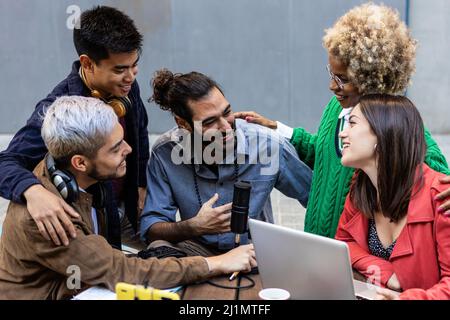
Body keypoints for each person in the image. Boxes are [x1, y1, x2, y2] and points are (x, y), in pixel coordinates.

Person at [0, 96, 256, 300]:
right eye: (115, 148)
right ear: (80, 162)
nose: (129, 149)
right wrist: (216, 263)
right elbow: (122, 272)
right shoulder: (48, 220)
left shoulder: (73, 176)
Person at [234, 3, 450, 238]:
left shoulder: (395, 124)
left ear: (372, 78)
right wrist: (279, 129)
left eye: (342, 79)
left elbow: (438, 173)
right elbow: (325, 153)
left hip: (356, 259)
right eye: (332, 74)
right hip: (319, 245)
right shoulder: (336, 107)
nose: (332, 86)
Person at [0, 6, 149, 249]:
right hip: (85, 224)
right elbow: (5, 162)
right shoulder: (56, 112)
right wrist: (33, 191)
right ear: (87, 63)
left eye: (134, 65)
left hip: (125, 211)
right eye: (120, 69)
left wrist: (141, 184)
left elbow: (140, 134)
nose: (131, 76)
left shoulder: (127, 87)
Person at [140, 69, 312, 255]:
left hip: (256, 252)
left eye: (227, 112)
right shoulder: (165, 152)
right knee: (156, 251)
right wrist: (194, 227)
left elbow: (315, 199)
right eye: (209, 121)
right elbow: (151, 229)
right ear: (183, 124)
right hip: (196, 254)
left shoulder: (268, 144)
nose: (225, 127)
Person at [335, 94, 450, 300]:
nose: (343, 133)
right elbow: (344, 242)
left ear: (382, 133)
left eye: (352, 123)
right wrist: (387, 273)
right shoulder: (360, 187)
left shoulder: (441, 196)